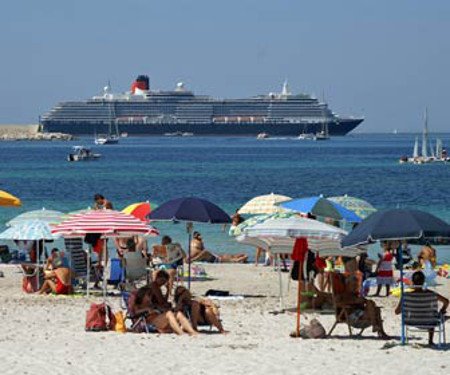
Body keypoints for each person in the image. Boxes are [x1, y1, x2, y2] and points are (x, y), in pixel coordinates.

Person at [395, 271, 448, 346]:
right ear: (424, 281)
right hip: (429, 322)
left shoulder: (405, 295)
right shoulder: (431, 294)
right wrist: (442, 310)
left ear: (412, 281)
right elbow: (446, 301)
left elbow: (396, 312)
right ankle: (430, 341)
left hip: (411, 321)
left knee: (429, 315)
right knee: (432, 315)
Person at [336, 274, 390, 339]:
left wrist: (363, 301)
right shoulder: (343, 294)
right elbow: (338, 303)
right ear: (347, 285)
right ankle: (376, 326)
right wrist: (354, 302)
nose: (355, 287)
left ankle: (379, 330)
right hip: (351, 316)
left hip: (359, 314)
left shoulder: (355, 294)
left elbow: (361, 304)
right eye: (353, 285)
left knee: (374, 306)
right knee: (373, 308)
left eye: (355, 285)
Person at [131, 284, 196, 335]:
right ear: (142, 295)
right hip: (151, 322)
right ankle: (181, 333)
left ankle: (193, 332)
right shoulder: (138, 305)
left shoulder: (151, 304)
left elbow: (160, 308)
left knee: (178, 314)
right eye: (148, 295)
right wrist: (147, 310)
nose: (150, 297)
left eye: (150, 295)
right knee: (169, 314)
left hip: (159, 318)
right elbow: (135, 313)